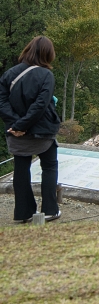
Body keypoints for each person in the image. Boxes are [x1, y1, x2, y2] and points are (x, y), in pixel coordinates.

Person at [0, 36, 62, 223]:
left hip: (16, 131)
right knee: (49, 166)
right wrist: (23, 124)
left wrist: (16, 124)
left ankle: (22, 212)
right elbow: (41, 105)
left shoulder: (10, 74)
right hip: (42, 130)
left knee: (21, 168)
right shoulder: (46, 75)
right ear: (48, 54)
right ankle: (50, 210)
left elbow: (1, 101)